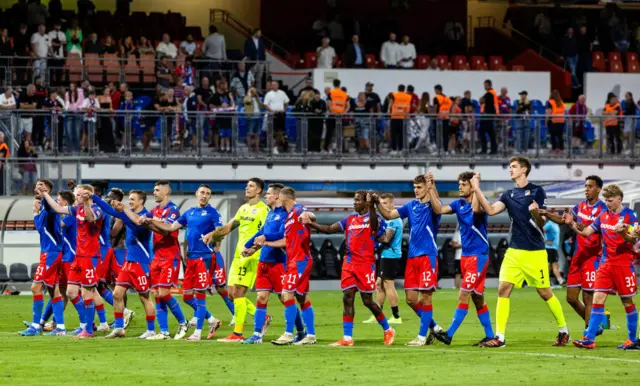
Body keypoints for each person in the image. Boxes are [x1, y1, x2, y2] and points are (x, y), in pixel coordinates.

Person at [470, 156, 569, 347]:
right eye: (509, 166)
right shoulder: (508, 194)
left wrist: (535, 212)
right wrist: (476, 188)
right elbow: (490, 210)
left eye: (514, 166)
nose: (510, 169)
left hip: (534, 252)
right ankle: (500, 337)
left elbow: (542, 222)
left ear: (524, 170)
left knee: (545, 292)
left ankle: (563, 330)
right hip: (514, 251)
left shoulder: (537, 191)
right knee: (503, 289)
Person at [303, 191, 395, 346]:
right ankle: (347, 338)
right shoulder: (349, 219)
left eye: (358, 200)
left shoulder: (374, 217)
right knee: (347, 297)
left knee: (367, 301)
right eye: (354, 200)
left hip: (366, 264)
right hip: (349, 263)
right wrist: (309, 223)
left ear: (366, 202)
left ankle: (388, 329)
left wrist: (372, 206)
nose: (354, 203)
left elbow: (374, 227)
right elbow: (329, 229)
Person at [141, 184, 222, 341]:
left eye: (207, 193)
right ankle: (211, 320)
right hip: (191, 258)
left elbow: (221, 230)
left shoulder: (213, 212)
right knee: (186, 297)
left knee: (200, 294)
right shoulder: (189, 212)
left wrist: (212, 234)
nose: (204, 195)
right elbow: (171, 227)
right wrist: (151, 222)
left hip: (204, 257)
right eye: (202, 192)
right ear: (196, 194)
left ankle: (197, 332)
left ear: (210, 197)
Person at [373, 174, 444, 346]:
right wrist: (376, 202)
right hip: (412, 257)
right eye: (414, 187)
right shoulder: (411, 206)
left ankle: (420, 337)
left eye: (419, 187)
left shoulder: (432, 206)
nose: (416, 190)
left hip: (428, 255)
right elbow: (389, 214)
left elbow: (439, 209)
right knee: (411, 299)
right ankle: (435, 328)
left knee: (426, 297)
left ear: (426, 188)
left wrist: (432, 187)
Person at [427, 172, 495, 346]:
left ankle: (449, 334)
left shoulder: (479, 201)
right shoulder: (458, 204)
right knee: (477, 298)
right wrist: (432, 188)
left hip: (478, 257)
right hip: (465, 257)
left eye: (463, 184)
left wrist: (477, 184)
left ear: (472, 186)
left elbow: (477, 210)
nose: (459, 187)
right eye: (459, 184)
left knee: (463, 294)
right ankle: (490, 335)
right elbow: (438, 209)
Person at [570, 184, 639, 350]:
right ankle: (590, 338)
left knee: (627, 302)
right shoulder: (603, 215)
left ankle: (632, 339)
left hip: (623, 265)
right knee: (597, 299)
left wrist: (623, 233)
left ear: (619, 199)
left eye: (610, 200)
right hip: (605, 264)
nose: (608, 203)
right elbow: (587, 232)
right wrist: (573, 224)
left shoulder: (630, 216)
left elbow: (633, 239)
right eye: (606, 200)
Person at [118, 181, 189, 340]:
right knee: (157, 294)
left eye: (157, 190)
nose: (154, 192)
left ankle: (183, 321)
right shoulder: (154, 210)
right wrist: (124, 210)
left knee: (164, 292)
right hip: (156, 256)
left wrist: (150, 221)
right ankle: (163, 332)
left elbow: (167, 229)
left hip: (170, 256)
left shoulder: (173, 209)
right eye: (154, 190)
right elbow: (139, 220)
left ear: (166, 192)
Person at [202, 178, 269, 342]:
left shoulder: (264, 210)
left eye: (251, 186)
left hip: (251, 256)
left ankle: (237, 334)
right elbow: (228, 227)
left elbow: (266, 233)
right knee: (231, 294)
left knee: (238, 293)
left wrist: (254, 249)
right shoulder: (243, 208)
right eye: (247, 185)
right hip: (238, 255)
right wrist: (213, 234)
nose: (247, 188)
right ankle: (262, 317)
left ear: (259, 190)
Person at [240, 183, 307, 344]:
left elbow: (281, 235)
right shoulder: (270, 214)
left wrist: (265, 238)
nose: (266, 196)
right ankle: (257, 335)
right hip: (264, 261)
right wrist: (249, 246)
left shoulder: (286, 214)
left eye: (268, 194)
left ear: (277, 196)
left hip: (279, 262)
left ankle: (300, 331)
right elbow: (262, 232)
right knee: (261, 297)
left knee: (285, 298)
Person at [539, 176, 606, 334]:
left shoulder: (603, 209)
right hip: (578, 257)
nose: (586, 189)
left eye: (590, 186)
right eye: (585, 186)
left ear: (598, 189)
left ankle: (588, 334)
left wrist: (579, 225)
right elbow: (564, 220)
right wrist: (547, 214)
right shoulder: (580, 206)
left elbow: (590, 230)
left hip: (593, 257)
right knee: (571, 298)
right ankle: (595, 326)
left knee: (588, 297)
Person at [38, 184, 105, 338]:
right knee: (71, 292)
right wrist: (46, 194)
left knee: (88, 292)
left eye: (79, 194)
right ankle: (87, 325)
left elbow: (91, 218)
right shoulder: (76, 210)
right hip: (78, 257)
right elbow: (58, 208)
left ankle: (88, 329)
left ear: (87, 195)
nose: (76, 196)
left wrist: (88, 203)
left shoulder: (97, 209)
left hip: (91, 257)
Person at [87, 190, 155, 339]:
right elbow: (109, 210)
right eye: (129, 199)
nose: (129, 201)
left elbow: (137, 225)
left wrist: (123, 210)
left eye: (132, 199)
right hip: (129, 262)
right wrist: (94, 197)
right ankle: (119, 328)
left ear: (141, 201)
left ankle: (151, 330)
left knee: (145, 298)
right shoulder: (128, 213)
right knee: (117, 294)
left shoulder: (146, 216)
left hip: (141, 263)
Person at [262, 187, 316, 346]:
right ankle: (311, 335)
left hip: (300, 261)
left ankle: (288, 333)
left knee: (286, 294)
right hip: (293, 260)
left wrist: (309, 216)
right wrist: (265, 243)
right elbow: (285, 241)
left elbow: (310, 215)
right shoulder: (289, 218)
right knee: (301, 297)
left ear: (281, 197)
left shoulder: (298, 210)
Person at [18, 180, 64, 337]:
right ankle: (61, 328)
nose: (38, 188)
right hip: (51, 252)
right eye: (37, 186)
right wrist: (35, 212)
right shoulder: (44, 209)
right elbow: (40, 229)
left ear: (48, 191)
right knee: (53, 290)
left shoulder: (50, 206)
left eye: (42, 187)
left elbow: (53, 207)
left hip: (51, 253)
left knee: (35, 288)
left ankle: (36, 326)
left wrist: (44, 197)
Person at [363, 193, 403, 325]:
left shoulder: (393, 219)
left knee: (388, 285)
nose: (383, 206)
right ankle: (377, 313)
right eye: (382, 203)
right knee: (379, 284)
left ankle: (396, 316)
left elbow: (386, 239)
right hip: (386, 254)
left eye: (386, 203)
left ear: (392, 204)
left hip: (390, 255)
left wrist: (373, 235)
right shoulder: (388, 219)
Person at [325, 79, 349, 154]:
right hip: (340, 116)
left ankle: (326, 149)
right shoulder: (345, 94)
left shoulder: (331, 93)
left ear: (333, 84)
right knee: (340, 133)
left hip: (332, 115)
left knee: (329, 133)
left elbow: (329, 104)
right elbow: (348, 106)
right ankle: (340, 149)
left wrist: (332, 112)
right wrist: (344, 113)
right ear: (339, 84)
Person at [388, 84, 410, 155]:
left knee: (393, 134)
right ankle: (401, 150)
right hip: (403, 117)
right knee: (402, 134)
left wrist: (388, 110)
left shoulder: (394, 95)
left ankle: (394, 150)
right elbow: (408, 106)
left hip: (394, 116)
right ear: (404, 89)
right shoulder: (408, 96)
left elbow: (390, 103)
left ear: (398, 89)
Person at [543, 215, 565, 286]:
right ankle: (546, 281)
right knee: (548, 266)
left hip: (554, 248)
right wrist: (545, 241)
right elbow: (540, 230)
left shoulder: (556, 224)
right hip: (549, 248)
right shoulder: (549, 224)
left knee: (555, 265)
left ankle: (560, 280)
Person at [433, 85, 453, 154]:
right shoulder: (447, 98)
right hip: (446, 118)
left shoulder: (436, 98)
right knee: (445, 135)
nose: (435, 91)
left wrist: (433, 115)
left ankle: (438, 150)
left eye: (435, 90)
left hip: (439, 118)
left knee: (437, 134)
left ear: (438, 90)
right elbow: (451, 108)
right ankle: (446, 150)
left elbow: (435, 109)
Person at [480, 80, 498, 155]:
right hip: (488, 115)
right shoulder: (491, 93)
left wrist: (481, 100)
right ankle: (491, 149)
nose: (484, 86)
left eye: (485, 85)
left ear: (489, 85)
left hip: (488, 115)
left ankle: (487, 149)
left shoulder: (490, 93)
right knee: (489, 133)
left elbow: (481, 100)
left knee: (486, 132)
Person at [546, 90, 565, 154]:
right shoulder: (561, 102)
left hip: (553, 121)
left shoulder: (550, 102)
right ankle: (561, 149)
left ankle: (554, 149)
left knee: (553, 136)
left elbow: (548, 113)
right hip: (561, 121)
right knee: (560, 136)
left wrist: (546, 122)